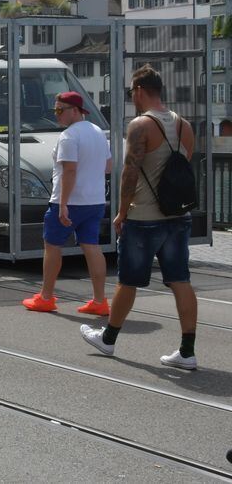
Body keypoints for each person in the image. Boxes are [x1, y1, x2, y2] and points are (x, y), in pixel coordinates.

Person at [81, 65, 200, 370]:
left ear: (139, 90)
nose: (131, 97)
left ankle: (108, 339)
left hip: (144, 218)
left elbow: (130, 174)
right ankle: (187, 351)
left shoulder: (140, 125)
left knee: (128, 281)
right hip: (177, 216)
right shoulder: (184, 125)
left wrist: (121, 211)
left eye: (131, 92)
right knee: (180, 280)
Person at [23, 92, 112, 314]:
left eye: (60, 110)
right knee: (92, 247)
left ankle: (46, 297)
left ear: (75, 110)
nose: (57, 115)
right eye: (55, 110)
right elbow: (108, 166)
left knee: (52, 247)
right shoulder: (98, 132)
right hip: (95, 200)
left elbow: (69, 172)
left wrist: (63, 205)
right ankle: (100, 301)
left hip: (70, 202)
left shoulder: (69, 136)